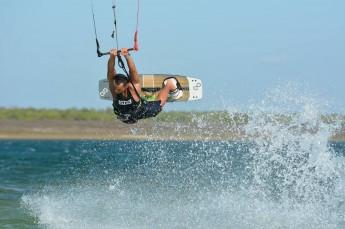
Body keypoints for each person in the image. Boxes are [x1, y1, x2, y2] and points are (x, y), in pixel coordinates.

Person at [107, 48, 183, 124]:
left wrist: (127, 56)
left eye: (117, 86)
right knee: (169, 83)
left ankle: (167, 91)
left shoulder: (132, 87)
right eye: (115, 84)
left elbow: (132, 70)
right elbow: (110, 71)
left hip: (135, 114)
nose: (114, 87)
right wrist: (112, 57)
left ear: (126, 85)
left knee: (162, 88)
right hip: (129, 117)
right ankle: (172, 88)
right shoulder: (114, 89)